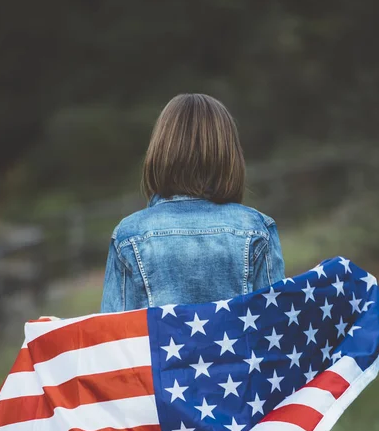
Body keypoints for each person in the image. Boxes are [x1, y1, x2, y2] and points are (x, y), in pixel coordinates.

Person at [101, 93, 285, 313]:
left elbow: (113, 337)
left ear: (160, 152)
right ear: (230, 155)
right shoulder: (257, 229)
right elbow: (275, 326)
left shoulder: (128, 236)